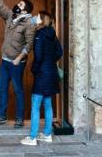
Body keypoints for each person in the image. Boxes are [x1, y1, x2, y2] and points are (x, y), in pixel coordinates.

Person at [0, 0, 35, 128]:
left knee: (18, 90)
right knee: (2, 88)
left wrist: (19, 58)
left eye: (20, 5)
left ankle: (19, 118)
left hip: (17, 63)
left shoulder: (29, 23)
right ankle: (1, 116)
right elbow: (1, 6)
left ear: (25, 9)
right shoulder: (10, 16)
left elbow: (29, 44)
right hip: (5, 60)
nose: (17, 5)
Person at [21, 11, 63, 146]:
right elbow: (59, 52)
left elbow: (38, 56)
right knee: (48, 105)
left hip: (42, 74)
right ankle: (47, 134)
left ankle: (32, 137)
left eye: (38, 16)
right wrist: (50, 61)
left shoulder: (39, 35)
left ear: (42, 20)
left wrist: (35, 69)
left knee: (35, 105)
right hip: (51, 72)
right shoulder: (52, 34)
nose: (35, 18)